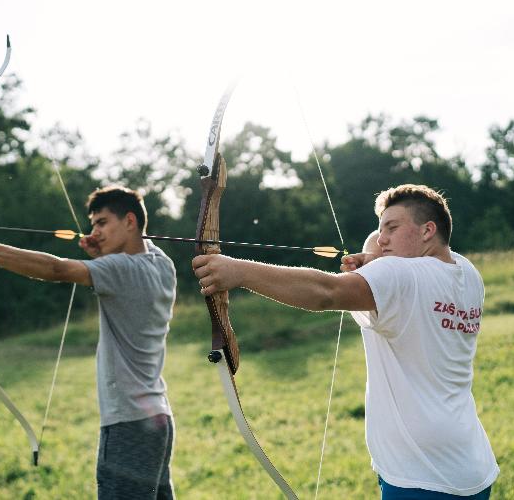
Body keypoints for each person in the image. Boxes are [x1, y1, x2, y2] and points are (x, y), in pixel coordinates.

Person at [192, 184, 498, 499]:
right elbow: (393, 263)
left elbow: (327, 292)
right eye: (381, 229)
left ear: (427, 230)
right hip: (471, 465)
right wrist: (376, 261)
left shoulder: (399, 275)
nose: (382, 238)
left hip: (420, 475)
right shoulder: (466, 272)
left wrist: (237, 272)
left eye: (392, 227)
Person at [0, 186, 177, 499]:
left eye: (102, 223)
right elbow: (134, 260)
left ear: (130, 221)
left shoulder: (121, 269)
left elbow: (56, 268)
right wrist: (104, 252)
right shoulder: (162, 264)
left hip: (129, 422)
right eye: (93, 225)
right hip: (157, 421)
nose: (95, 232)